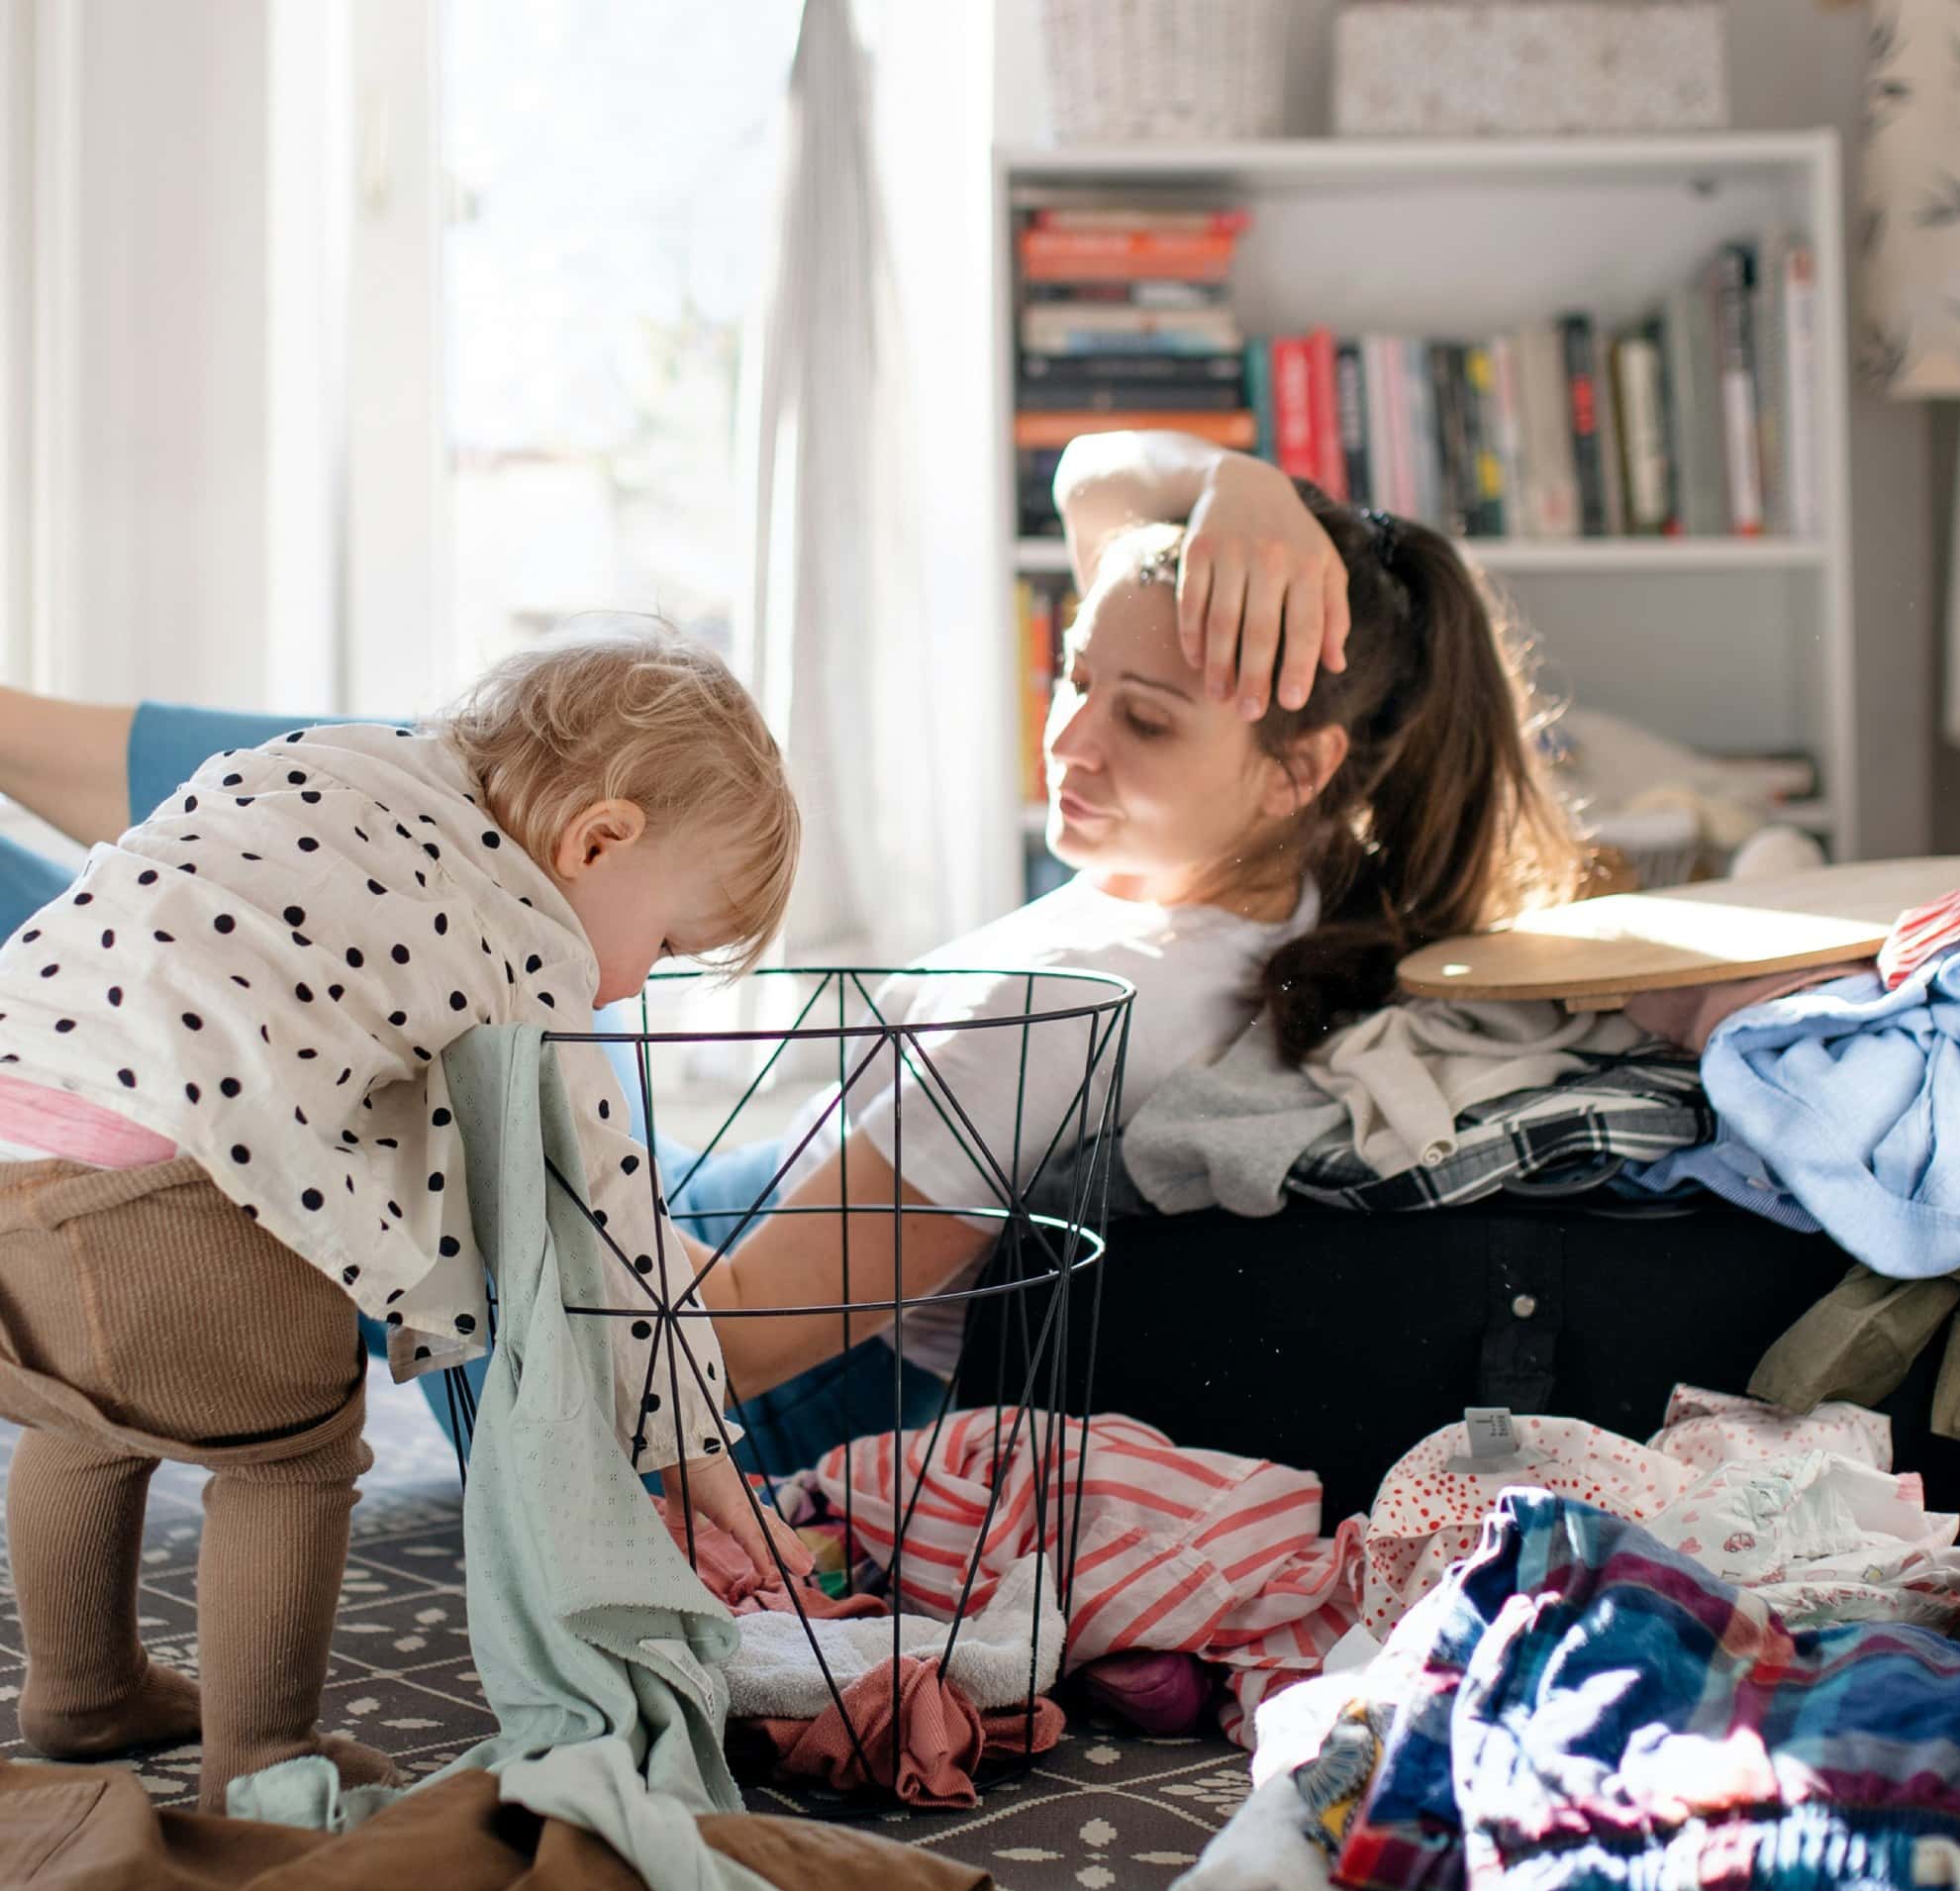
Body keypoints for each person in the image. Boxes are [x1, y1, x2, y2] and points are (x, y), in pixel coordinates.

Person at [0, 433, 1586, 1475]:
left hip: (746, 1388)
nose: (1072, 739)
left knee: (403, 823)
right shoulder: (1268, 889)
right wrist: (1245, 484)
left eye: (1144, 716)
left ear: (1306, 771)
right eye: (1074, 675)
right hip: (721, 1206)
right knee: (432, 791)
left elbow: (715, 1342)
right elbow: (1101, 488)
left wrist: (418, 1160)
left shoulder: (1099, 994)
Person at [0, 629, 815, 1809]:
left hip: (15, 1138)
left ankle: (82, 1689)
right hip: (165, 1179)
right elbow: (612, 1234)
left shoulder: (330, 757)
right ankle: (263, 1755)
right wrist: (706, 1475)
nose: (635, 983)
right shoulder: (530, 936)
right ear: (599, 840)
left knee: (87, 1410)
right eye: (669, 942)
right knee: (295, 1449)